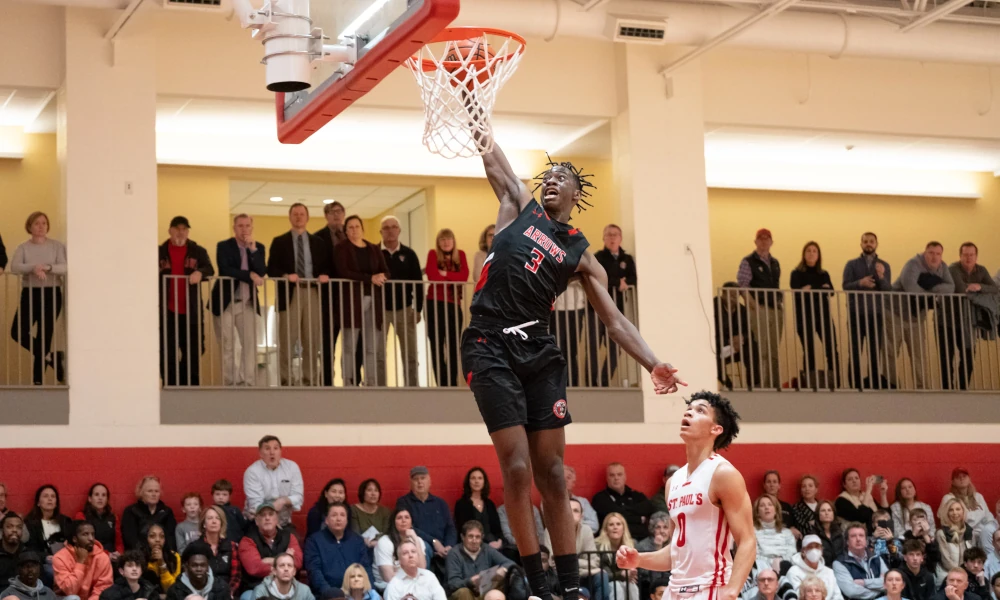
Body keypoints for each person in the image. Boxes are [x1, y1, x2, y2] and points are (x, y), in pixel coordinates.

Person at [467, 137, 684, 600]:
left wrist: (652, 363)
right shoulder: (518, 206)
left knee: (552, 470)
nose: (550, 181)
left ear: (574, 195)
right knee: (519, 468)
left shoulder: (582, 256)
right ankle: (538, 583)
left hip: (540, 352)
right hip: (489, 343)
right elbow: (493, 158)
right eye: (547, 176)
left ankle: (568, 589)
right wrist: (473, 106)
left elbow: (614, 321)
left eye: (560, 178)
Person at [617, 392, 754, 600]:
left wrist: (731, 590)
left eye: (700, 410)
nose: (689, 412)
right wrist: (638, 560)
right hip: (675, 589)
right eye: (689, 408)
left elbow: (747, 540)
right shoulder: (674, 481)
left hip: (710, 587)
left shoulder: (723, 474)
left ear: (716, 429)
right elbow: (675, 551)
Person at [267, 203, 334, 387]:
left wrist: (324, 275)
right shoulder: (279, 242)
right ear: (290, 217)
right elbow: (271, 268)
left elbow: (328, 266)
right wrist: (286, 276)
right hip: (291, 293)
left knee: (311, 339)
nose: (298, 217)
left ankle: (309, 379)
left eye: (302, 214)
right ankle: (287, 379)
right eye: (295, 214)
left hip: (313, 292)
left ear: (307, 217)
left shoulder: (318, 242)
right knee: (287, 339)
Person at [10, 210, 68, 386]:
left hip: (51, 293)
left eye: (44, 223)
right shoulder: (23, 247)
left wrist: (47, 267)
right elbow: (14, 266)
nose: (41, 226)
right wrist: (34, 268)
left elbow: (64, 267)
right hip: (30, 293)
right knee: (17, 331)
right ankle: (51, 357)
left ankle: (37, 382)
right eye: (37, 223)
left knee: (44, 336)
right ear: (30, 226)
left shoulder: (56, 246)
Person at [888, 242, 954, 390]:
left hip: (917, 317)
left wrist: (930, 290)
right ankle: (890, 386)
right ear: (925, 253)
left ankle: (922, 388)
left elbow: (951, 287)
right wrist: (931, 296)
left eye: (938, 254)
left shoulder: (943, 267)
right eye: (931, 253)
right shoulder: (913, 264)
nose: (934, 257)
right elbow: (910, 286)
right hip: (895, 313)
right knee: (890, 353)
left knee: (919, 355)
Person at [158, 215, 214, 387]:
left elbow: (209, 269)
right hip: (167, 312)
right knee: (167, 353)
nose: (180, 233)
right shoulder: (159, 252)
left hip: (191, 311)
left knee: (194, 351)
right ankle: (170, 387)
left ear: (188, 231)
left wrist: (200, 273)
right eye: (177, 229)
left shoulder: (198, 251)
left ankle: (190, 387)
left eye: (184, 229)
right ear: (170, 231)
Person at [335, 215, 391, 386]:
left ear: (362, 228)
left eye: (357, 226)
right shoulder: (341, 248)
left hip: (374, 300)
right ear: (345, 231)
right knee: (350, 345)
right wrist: (369, 278)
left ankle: (371, 381)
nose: (354, 230)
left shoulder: (373, 248)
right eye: (350, 227)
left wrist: (381, 276)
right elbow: (344, 271)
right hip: (351, 301)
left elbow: (386, 271)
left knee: (371, 346)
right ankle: (349, 380)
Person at [211, 213, 266, 387]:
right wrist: (249, 275)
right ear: (234, 228)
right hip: (225, 303)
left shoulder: (258, 248)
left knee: (249, 344)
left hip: (248, 303)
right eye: (240, 226)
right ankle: (230, 381)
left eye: (247, 226)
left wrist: (252, 250)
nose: (244, 229)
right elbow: (225, 269)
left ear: (252, 227)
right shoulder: (224, 246)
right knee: (228, 344)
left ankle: (247, 381)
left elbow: (262, 271)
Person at [842, 232, 892, 390]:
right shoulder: (851, 264)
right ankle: (855, 387)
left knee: (874, 352)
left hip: (876, 314)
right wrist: (860, 283)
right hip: (856, 313)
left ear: (876, 244)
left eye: (871, 241)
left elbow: (887, 289)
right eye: (865, 241)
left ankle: (873, 385)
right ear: (861, 244)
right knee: (855, 351)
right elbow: (845, 285)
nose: (868, 244)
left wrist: (881, 276)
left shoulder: (884, 265)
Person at [589, 224, 638, 387]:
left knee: (615, 348)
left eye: (615, 235)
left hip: (616, 310)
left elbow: (634, 279)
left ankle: (603, 381)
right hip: (596, 309)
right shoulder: (598, 257)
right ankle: (593, 382)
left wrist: (623, 282)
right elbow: (599, 277)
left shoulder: (627, 258)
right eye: (608, 235)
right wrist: (618, 282)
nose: (612, 238)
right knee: (594, 347)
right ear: (603, 238)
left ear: (620, 238)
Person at [379, 216, 423, 387]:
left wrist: (417, 309)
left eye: (393, 227)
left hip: (404, 309)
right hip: (379, 311)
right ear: (381, 231)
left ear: (399, 230)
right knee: (378, 354)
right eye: (386, 228)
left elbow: (418, 283)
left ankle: (412, 388)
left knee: (410, 354)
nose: (390, 230)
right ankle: (379, 389)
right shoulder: (375, 252)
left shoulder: (409, 254)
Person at [789, 241, 840, 389]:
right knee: (809, 349)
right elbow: (797, 292)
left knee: (831, 348)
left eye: (814, 251)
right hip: (804, 317)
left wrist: (810, 288)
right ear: (804, 254)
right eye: (809, 251)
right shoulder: (796, 273)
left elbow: (830, 291)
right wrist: (819, 288)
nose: (811, 253)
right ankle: (810, 384)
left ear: (818, 255)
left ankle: (834, 382)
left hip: (823, 316)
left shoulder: (824, 274)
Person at [737, 228, 783, 389]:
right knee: (761, 348)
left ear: (771, 242)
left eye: (767, 238)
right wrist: (755, 307)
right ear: (756, 241)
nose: (764, 241)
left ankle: (774, 384)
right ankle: (762, 384)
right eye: (760, 238)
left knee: (774, 349)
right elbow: (743, 286)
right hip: (760, 309)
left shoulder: (775, 263)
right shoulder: (748, 261)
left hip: (775, 310)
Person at [946, 243, 996, 390]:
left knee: (968, 356)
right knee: (947, 358)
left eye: (971, 255)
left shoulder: (982, 270)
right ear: (960, 256)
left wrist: (980, 287)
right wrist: (975, 288)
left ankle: (963, 389)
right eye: (965, 255)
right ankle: (947, 390)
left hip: (969, 321)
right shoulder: (953, 268)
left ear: (976, 256)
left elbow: (994, 289)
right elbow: (962, 289)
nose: (968, 258)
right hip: (950, 320)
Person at [425, 228, 468, 387]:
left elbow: (463, 277)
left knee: (453, 346)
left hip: (453, 305)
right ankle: (441, 383)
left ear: (453, 241)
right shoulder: (432, 254)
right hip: (434, 304)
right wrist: (449, 277)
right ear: (438, 242)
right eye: (442, 239)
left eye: (448, 239)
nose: (446, 242)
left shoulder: (461, 255)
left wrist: (444, 274)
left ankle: (451, 382)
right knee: (436, 345)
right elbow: (432, 275)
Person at [395, 467, 456, 578]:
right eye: (416, 479)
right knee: (424, 548)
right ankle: (422, 582)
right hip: (420, 542)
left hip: (443, 545)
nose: (419, 482)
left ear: (429, 481)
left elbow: (450, 527)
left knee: (456, 552)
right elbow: (409, 527)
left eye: (423, 478)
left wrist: (448, 545)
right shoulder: (404, 502)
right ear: (411, 483)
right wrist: (433, 542)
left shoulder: (440, 503)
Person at [237, 501, 303, 600]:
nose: (267, 518)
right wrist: (285, 560)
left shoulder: (289, 537)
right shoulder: (247, 540)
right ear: (256, 521)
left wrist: (269, 560)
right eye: (263, 515)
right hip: (255, 587)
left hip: (287, 587)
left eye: (271, 514)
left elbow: (297, 562)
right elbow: (254, 569)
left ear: (276, 519)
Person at [304, 503, 371, 599]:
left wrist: (369, 590)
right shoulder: (314, 541)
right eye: (334, 515)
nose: (338, 519)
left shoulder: (357, 540)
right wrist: (329, 592)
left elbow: (365, 568)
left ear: (347, 520)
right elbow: (314, 571)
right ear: (326, 520)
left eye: (342, 515)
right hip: (327, 595)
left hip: (355, 594)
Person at [314, 200, 348, 388]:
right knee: (328, 343)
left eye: (339, 212)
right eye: (332, 212)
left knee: (352, 344)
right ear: (326, 215)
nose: (336, 215)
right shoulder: (318, 238)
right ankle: (327, 382)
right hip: (327, 298)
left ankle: (351, 380)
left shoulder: (351, 235)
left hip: (349, 298)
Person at [540, 500, 604, 600]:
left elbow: (594, 561)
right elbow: (553, 562)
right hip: (560, 577)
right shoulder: (550, 530)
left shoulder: (586, 530)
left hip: (583, 575)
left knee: (601, 576)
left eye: (575, 511)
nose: (571, 513)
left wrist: (571, 562)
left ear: (581, 516)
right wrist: (581, 564)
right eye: (568, 510)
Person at [243, 436, 304, 531]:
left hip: (284, 523)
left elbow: (298, 497)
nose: (272, 452)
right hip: (258, 523)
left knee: (294, 544)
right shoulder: (252, 472)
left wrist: (283, 500)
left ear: (280, 451)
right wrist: (272, 510)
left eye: (275, 448)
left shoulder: (292, 467)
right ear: (260, 453)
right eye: (267, 448)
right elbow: (256, 504)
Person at [444, 522, 513, 600]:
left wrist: (502, 570)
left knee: (503, 583)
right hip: (464, 593)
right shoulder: (454, 554)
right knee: (463, 592)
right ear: (462, 537)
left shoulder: (487, 549)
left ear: (482, 538)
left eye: (477, 537)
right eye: (470, 536)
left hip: (483, 591)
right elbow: (453, 583)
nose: (474, 541)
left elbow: (510, 563)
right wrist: (470, 581)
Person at [592, 463, 656, 542]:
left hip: (642, 540)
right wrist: (639, 519)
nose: (616, 478)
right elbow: (615, 515)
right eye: (612, 475)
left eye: (619, 474)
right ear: (607, 478)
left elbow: (649, 507)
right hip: (615, 543)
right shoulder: (600, 498)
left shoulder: (636, 495)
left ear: (625, 477)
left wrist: (625, 510)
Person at [24, 484, 74, 583]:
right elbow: (29, 548)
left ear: (56, 503)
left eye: (53, 496)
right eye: (46, 496)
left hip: (66, 561)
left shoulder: (65, 521)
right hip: (45, 563)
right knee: (51, 571)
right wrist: (45, 557)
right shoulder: (30, 523)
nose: (50, 499)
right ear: (38, 502)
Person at [52, 521, 113, 600]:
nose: (91, 538)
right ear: (75, 539)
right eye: (85, 534)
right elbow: (70, 590)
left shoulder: (102, 557)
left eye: (93, 534)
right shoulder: (60, 557)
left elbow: (103, 587)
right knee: (73, 598)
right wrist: (80, 563)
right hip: (66, 597)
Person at [372, 510, 427, 593]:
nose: (403, 520)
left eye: (407, 517)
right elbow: (389, 577)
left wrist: (415, 540)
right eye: (399, 518)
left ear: (411, 521)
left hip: (413, 584)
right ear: (393, 522)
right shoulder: (384, 542)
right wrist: (412, 575)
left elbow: (422, 570)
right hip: (387, 586)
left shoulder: (418, 540)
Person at [714, 283, 755, 391]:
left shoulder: (741, 310)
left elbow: (749, 333)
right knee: (711, 358)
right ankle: (729, 386)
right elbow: (710, 333)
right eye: (730, 294)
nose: (733, 298)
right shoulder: (713, 306)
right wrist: (730, 340)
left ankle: (754, 385)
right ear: (723, 294)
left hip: (735, 348)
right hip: (718, 346)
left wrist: (741, 338)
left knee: (752, 348)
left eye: (736, 295)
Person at [937, 469, 996, 544]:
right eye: (958, 477)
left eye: (964, 476)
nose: (962, 479)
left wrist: (988, 529)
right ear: (953, 482)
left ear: (969, 479)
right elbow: (943, 519)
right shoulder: (948, 498)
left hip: (983, 535)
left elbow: (988, 518)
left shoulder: (978, 497)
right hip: (961, 535)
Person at [121, 477, 177, 554]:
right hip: (138, 557)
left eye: (156, 491)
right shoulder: (130, 511)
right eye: (150, 491)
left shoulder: (167, 512)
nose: (154, 494)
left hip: (162, 556)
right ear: (141, 492)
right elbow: (130, 540)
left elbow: (171, 540)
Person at [832, 523, 887, 600]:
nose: (858, 539)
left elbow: (889, 582)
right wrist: (878, 590)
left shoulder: (876, 558)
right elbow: (851, 591)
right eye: (853, 536)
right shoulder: (839, 563)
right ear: (847, 541)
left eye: (861, 535)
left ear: (866, 540)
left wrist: (864, 582)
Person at [453, 469, 502, 551]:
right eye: (473, 478)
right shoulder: (461, 504)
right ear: (468, 482)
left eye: (480, 478)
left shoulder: (489, 504)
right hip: (473, 544)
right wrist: (485, 545)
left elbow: (497, 529)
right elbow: (463, 530)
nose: (476, 481)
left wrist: (499, 541)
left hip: (493, 543)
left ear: (484, 482)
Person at [784, 535, 844, 600]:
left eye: (817, 547)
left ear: (821, 550)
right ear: (803, 551)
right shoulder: (794, 572)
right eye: (810, 547)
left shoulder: (829, 572)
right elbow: (797, 597)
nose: (814, 550)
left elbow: (837, 596)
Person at [165, 541, 231, 600]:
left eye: (203, 565)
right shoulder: (175, 591)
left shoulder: (222, 588)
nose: (199, 569)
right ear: (186, 567)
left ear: (208, 567)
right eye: (194, 565)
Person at [198, 505, 240, 598]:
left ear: (221, 523)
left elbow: (236, 576)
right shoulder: (196, 547)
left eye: (217, 518)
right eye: (210, 518)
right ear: (204, 524)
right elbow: (193, 576)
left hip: (228, 593)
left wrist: (229, 592)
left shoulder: (231, 546)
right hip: (203, 593)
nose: (214, 521)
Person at [595, 513, 638, 600]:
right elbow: (605, 575)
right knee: (616, 587)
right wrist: (622, 574)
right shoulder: (598, 546)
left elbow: (633, 573)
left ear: (623, 528)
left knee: (632, 586)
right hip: (607, 583)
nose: (615, 527)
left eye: (618, 524)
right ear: (606, 529)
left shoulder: (632, 544)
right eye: (611, 524)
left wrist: (633, 573)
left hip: (625, 581)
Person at [75, 484, 120, 562]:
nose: (100, 498)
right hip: (91, 557)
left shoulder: (113, 517)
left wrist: (119, 553)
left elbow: (119, 541)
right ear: (90, 498)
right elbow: (83, 543)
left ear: (107, 499)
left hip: (113, 557)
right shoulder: (81, 516)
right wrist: (106, 554)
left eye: (103, 495)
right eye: (96, 495)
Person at [754, 494, 797, 573]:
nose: (766, 507)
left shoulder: (787, 533)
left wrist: (780, 562)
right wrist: (773, 563)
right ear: (757, 513)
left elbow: (792, 554)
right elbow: (755, 557)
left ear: (776, 510)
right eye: (762, 505)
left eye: (770, 505)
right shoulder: (752, 533)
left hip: (785, 569)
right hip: (762, 570)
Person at [138, 523, 182, 596]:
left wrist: (162, 563)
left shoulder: (174, 557)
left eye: (162, 536)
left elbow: (172, 590)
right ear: (145, 538)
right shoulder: (138, 558)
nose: (158, 540)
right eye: (152, 536)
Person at [634, 512, 671, 597]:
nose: (662, 531)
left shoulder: (674, 544)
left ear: (670, 530)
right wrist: (657, 549)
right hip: (649, 585)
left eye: (665, 527)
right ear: (652, 529)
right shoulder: (642, 546)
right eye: (658, 527)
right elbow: (644, 573)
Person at [937, 501, 976, 582]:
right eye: (951, 510)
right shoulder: (941, 533)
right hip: (947, 575)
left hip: (966, 575)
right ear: (947, 513)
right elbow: (945, 560)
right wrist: (959, 574)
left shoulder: (970, 531)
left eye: (958, 509)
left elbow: (973, 555)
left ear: (963, 511)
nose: (955, 513)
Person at [351, 480, 391, 549]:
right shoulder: (353, 510)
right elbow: (355, 533)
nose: (373, 493)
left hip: (380, 547)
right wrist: (364, 542)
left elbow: (386, 533)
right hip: (359, 546)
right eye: (369, 490)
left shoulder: (385, 511)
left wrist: (377, 542)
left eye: (376, 490)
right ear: (363, 492)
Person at [902, 510, 940, 576]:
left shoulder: (931, 538)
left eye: (923, 520)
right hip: (909, 573)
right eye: (915, 520)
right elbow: (905, 554)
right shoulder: (905, 537)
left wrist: (925, 535)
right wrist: (914, 535)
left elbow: (936, 557)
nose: (919, 523)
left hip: (928, 572)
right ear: (910, 523)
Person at [562, 468, 599, 534]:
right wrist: (578, 521)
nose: (565, 480)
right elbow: (555, 526)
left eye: (568, 477)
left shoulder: (583, 502)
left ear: (573, 483)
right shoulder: (548, 503)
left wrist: (572, 524)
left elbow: (594, 526)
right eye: (561, 477)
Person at [811, 501, 847, 569]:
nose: (826, 513)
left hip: (841, 568)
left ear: (833, 514)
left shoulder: (841, 533)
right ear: (818, 514)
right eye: (823, 510)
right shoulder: (813, 535)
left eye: (829, 510)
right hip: (822, 570)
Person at [761, 471, 797, 538]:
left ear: (779, 485)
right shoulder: (758, 506)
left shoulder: (787, 507)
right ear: (764, 485)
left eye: (774, 482)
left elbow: (793, 526)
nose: (772, 485)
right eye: (769, 482)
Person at [211, 481, 246, 545]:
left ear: (229, 496)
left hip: (234, 543)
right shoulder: (210, 511)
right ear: (212, 495)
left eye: (224, 494)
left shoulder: (235, 511)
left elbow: (243, 527)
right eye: (217, 494)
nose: (221, 497)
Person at [1, 513, 26, 582]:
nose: (14, 530)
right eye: (9, 527)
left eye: (19, 527)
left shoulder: (27, 554)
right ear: (2, 530)